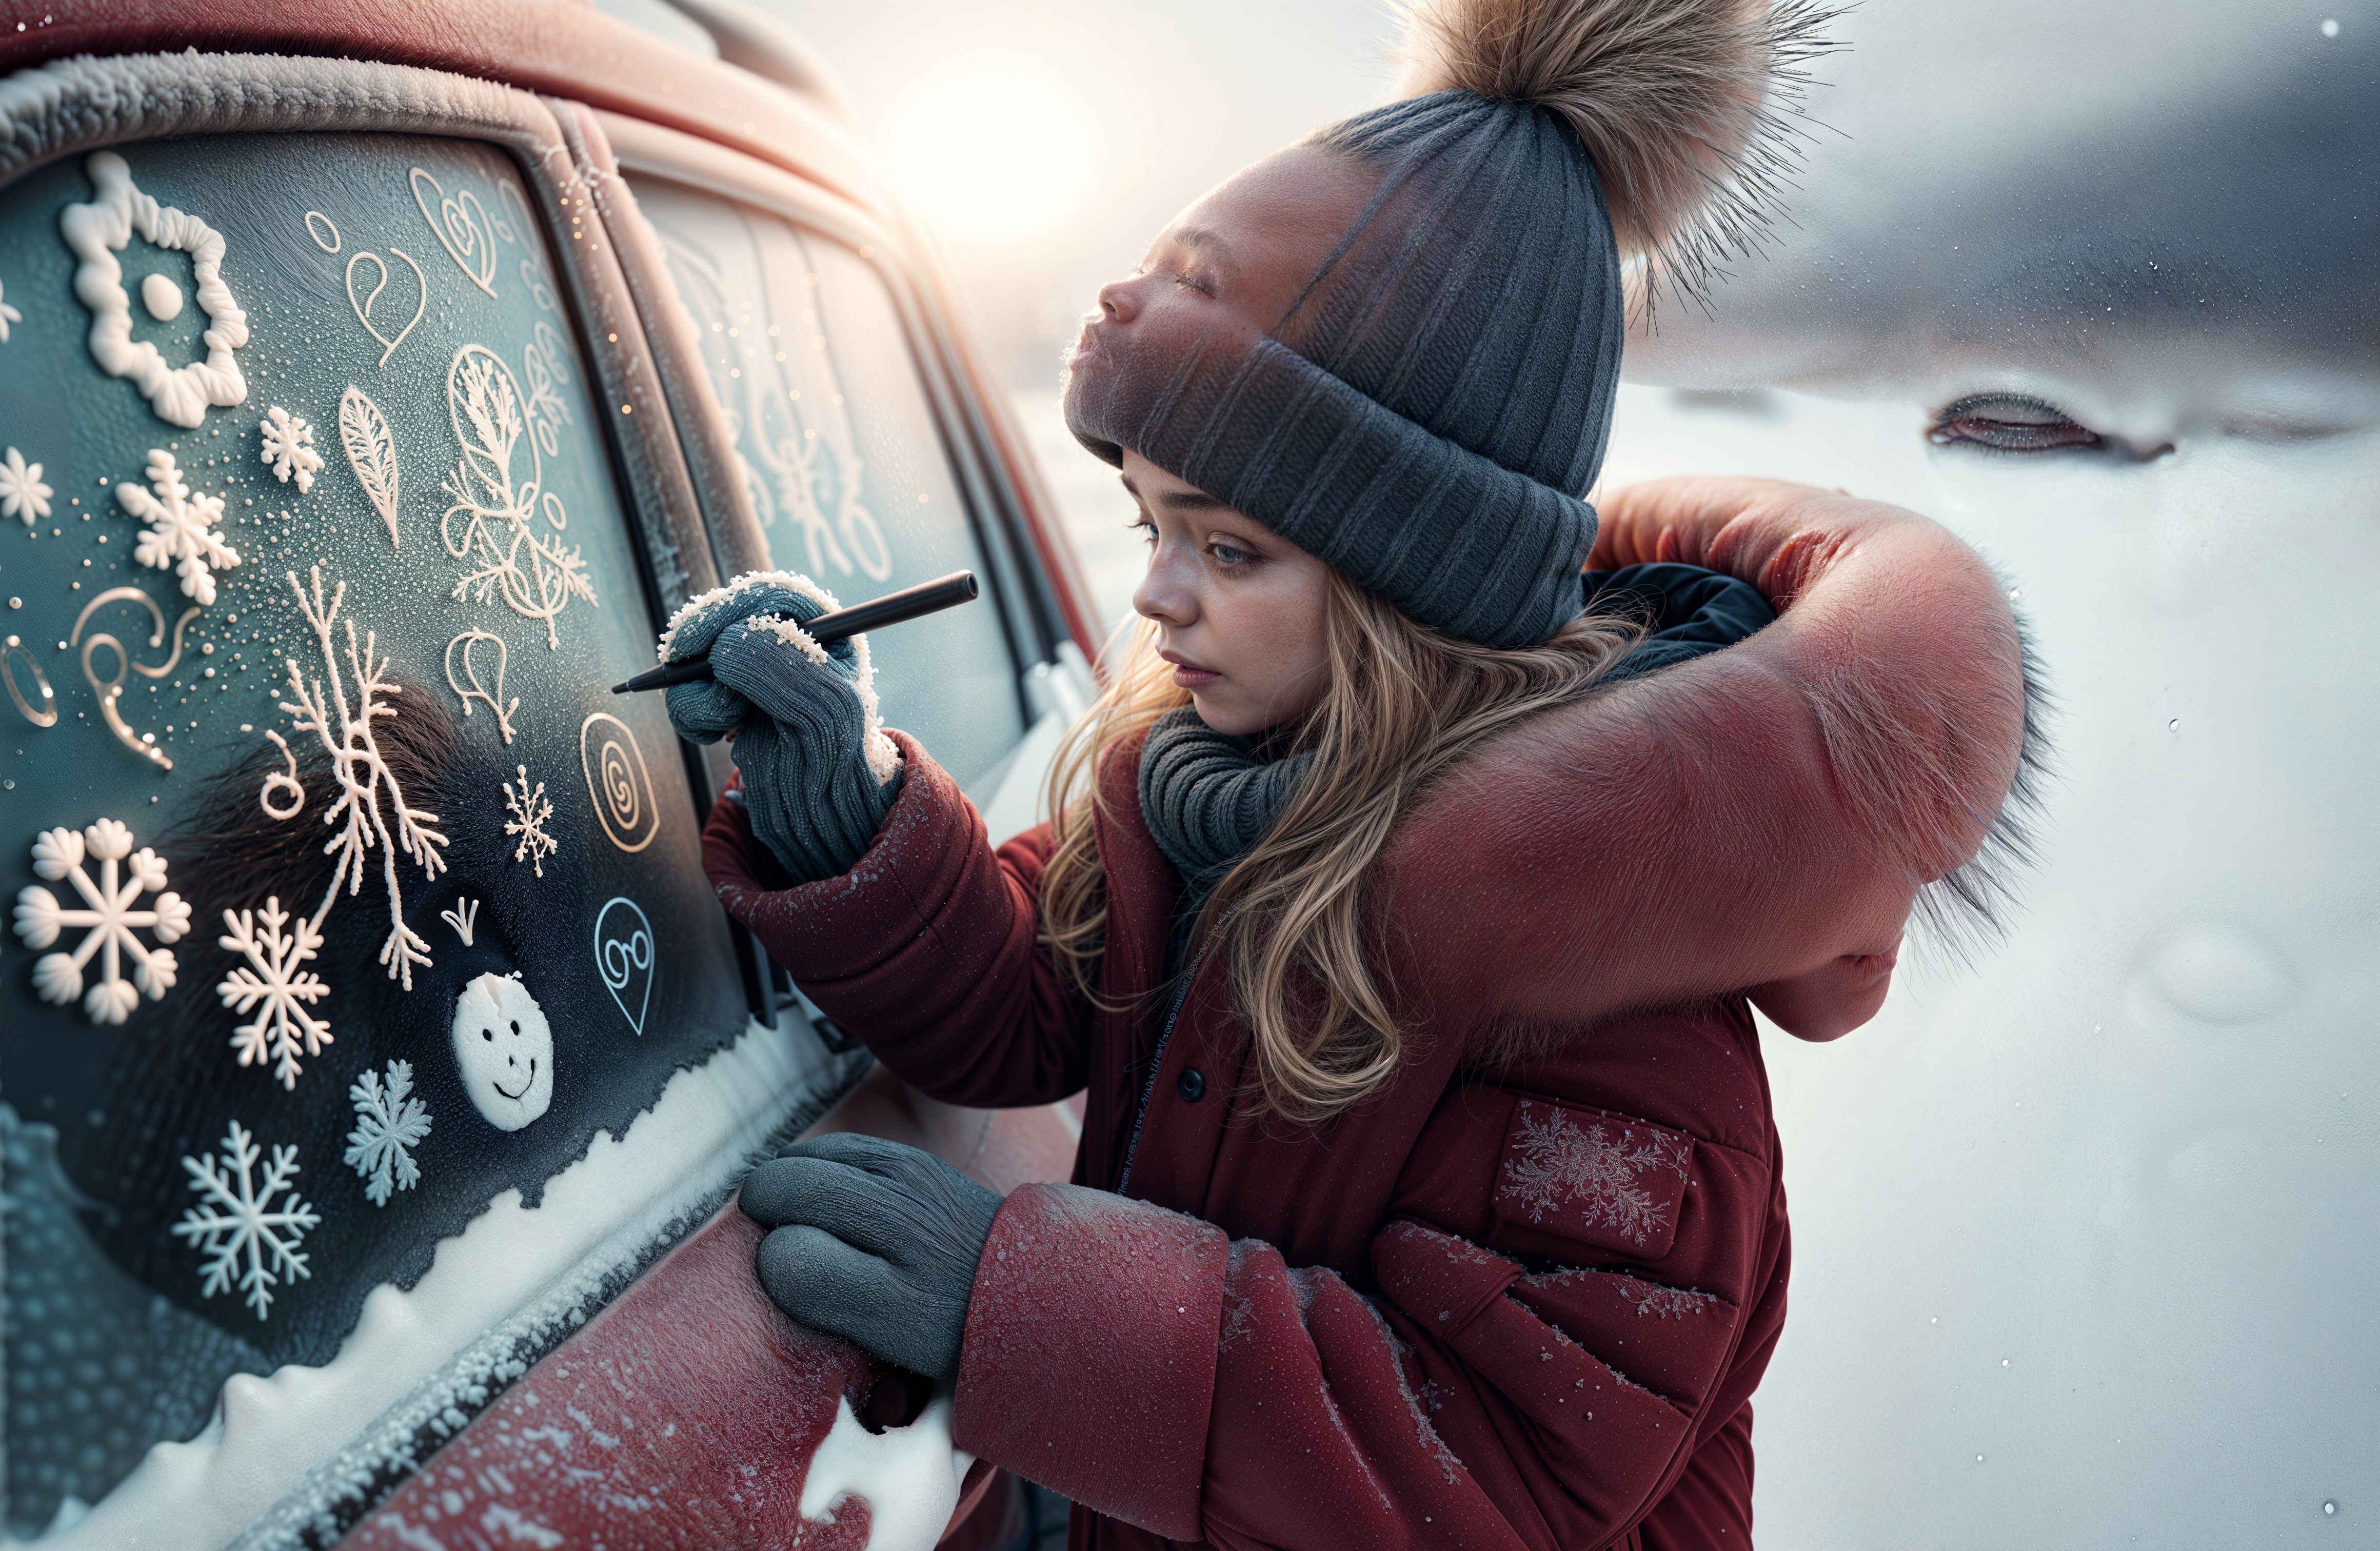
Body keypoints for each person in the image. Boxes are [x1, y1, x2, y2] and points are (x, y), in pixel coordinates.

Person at [660, 1, 2035, 1545]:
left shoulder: (1610, 974)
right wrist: (844, 807)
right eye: (1152, 525)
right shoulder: (1216, 787)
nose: (1156, 594)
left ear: (1413, 586)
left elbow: (1497, 1465)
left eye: (1231, 548)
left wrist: (1026, 1315)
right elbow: (1034, 995)